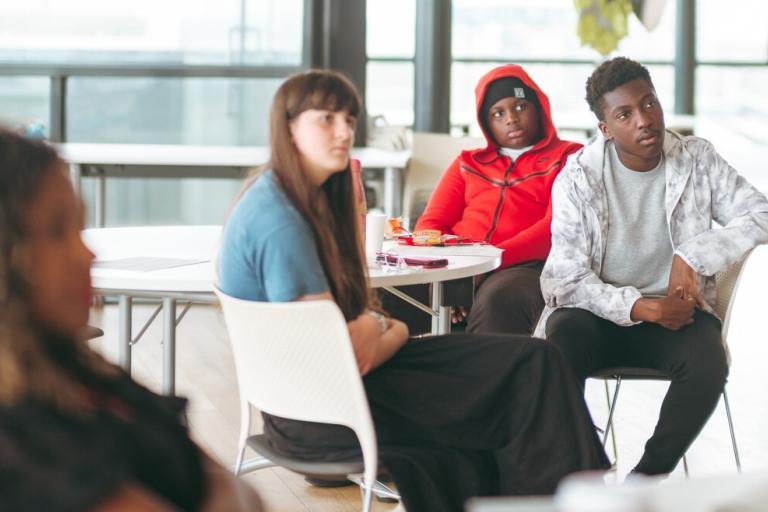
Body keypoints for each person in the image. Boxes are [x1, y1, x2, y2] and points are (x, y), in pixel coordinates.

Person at [218, 69, 609, 512]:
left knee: (536, 361)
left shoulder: (281, 196)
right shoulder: (281, 220)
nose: (344, 131)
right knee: (530, 372)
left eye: (349, 118)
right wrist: (391, 325)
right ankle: (580, 499)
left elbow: (349, 335)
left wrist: (378, 324)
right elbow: (348, 352)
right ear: (288, 128)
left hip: (320, 396)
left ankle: (562, 499)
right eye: (326, 119)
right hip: (326, 410)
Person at [0, 128, 262, 511]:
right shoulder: (18, 437)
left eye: (80, 227)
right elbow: (225, 486)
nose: (86, 253)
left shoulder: (80, 370)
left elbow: (238, 489)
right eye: (57, 231)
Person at [535, 57, 768, 476]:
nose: (644, 120)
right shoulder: (578, 177)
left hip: (675, 318)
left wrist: (692, 255)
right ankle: (587, 469)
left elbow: (761, 215)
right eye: (624, 114)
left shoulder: (696, 159)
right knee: (556, 351)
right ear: (605, 128)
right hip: (594, 317)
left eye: (649, 104)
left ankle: (644, 482)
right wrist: (638, 306)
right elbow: (563, 278)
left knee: (708, 361)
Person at [407, 64, 582, 335]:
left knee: (498, 299)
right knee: (396, 295)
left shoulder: (569, 158)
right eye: (498, 113)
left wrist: (487, 264)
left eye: (521, 106)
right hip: (460, 263)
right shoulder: (468, 163)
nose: (511, 118)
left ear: (539, 108)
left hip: (526, 266)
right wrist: (441, 273)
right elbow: (432, 223)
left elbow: (556, 228)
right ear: (486, 122)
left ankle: (481, 377)